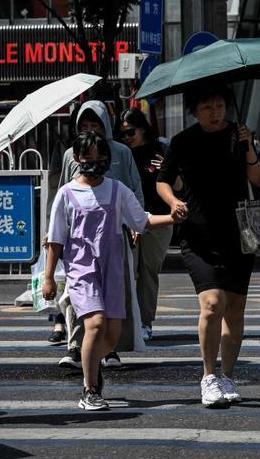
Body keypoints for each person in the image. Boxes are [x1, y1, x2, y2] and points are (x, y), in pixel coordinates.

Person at [41, 131, 177, 410]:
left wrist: (171, 216)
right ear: (77, 159)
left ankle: (91, 364)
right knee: (95, 323)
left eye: (100, 157)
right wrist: (49, 278)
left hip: (114, 268)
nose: (94, 162)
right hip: (82, 270)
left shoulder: (117, 189)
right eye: (87, 157)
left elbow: (142, 220)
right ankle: (90, 390)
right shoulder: (66, 194)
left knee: (113, 333)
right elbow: (55, 239)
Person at [156, 83, 260, 409]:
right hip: (198, 236)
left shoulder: (240, 135)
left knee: (235, 311)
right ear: (195, 111)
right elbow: (162, 179)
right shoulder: (183, 142)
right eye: (207, 107)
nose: (215, 112)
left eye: (219, 106)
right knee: (212, 305)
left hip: (238, 235)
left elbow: (258, 179)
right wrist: (173, 201)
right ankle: (208, 376)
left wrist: (249, 147)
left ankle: (228, 375)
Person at [56, 100, 144, 372]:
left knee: (114, 299)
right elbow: (62, 193)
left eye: (95, 124)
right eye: (84, 124)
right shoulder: (72, 154)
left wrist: (137, 223)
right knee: (75, 297)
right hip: (79, 246)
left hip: (113, 238)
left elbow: (134, 189)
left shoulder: (121, 152)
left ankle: (108, 350)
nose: (90, 129)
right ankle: (76, 347)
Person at [117, 109, 171, 342]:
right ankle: (127, 321)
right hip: (128, 219)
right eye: (123, 134)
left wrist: (167, 170)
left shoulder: (161, 150)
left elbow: (179, 184)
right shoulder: (121, 154)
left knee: (148, 272)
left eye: (130, 132)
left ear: (142, 129)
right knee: (127, 271)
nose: (127, 137)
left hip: (158, 219)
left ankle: (145, 322)